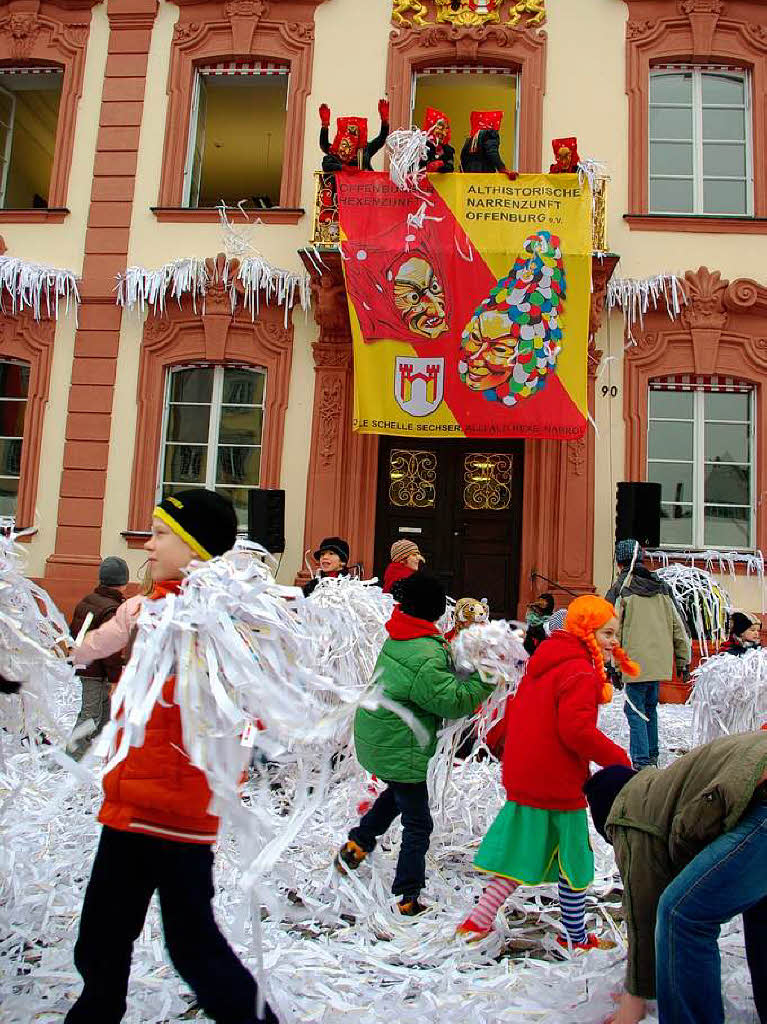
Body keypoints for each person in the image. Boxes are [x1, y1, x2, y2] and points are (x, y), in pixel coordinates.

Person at [66, 488, 278, 1024]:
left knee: (191, 946)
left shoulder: (207, 619)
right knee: (103, 938)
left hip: (171, 810)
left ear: (196, 548)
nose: (149, 544)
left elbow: (241, 698)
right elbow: (109, 638)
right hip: (136, 801)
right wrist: (75, 649)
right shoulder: (155, 606)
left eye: (161, 534)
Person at [456, 596, 634, 947]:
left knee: (522, 850)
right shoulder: (580, 670)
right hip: (557, 778)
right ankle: (575, 935)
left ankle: (478, 921)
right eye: (607, 633)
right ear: (586, 631)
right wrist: (618, 758)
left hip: (529, 772)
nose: (614, 641)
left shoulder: (547, 661)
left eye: (616, 633)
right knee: (575, 860)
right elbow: (576, 731)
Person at [335, 572, 495, 915]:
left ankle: (356, 845)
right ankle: (407, 895)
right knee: (419, 822)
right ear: (436, 609)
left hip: (381, 736)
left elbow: (433, 682)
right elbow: (453, 701)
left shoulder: (402, 635)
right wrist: (487, 674)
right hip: (400, 744)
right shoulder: (423, 652)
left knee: (396, 795)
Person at [584, 731, 767, 1024]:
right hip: (758, 782)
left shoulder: (630, 812)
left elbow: (644, 909)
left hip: (761, 794)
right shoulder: (665, 787)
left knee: (682, 913)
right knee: (759, 904)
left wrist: (635, 997)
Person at [606, 539, 691, 769]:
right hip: (658, 663)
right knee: (649, 708)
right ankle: (652, 755)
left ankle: (642, 761)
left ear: (620, 562)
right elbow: (678, 627)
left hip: (632, 662)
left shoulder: (621, 590)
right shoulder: (661, 587)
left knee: (634, 711)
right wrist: (684, 661)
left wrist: (612, 666)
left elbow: (613, 630)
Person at [67, 557, 130, 760]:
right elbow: (110, 649)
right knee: (90, 715)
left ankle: (101, 752)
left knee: (103, 711)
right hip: (96, 670)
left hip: (85, 665)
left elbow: (73, 631)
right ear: (124, 582)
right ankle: (69, 759)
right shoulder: (112, 609)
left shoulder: (88, 600)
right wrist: (115, 678)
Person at [523, 592, 555, 656]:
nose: (540, 604)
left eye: (543, 602)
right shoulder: (534, 618)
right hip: (533, 648)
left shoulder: (552, 619)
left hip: (545, 649)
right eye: (539, 602)